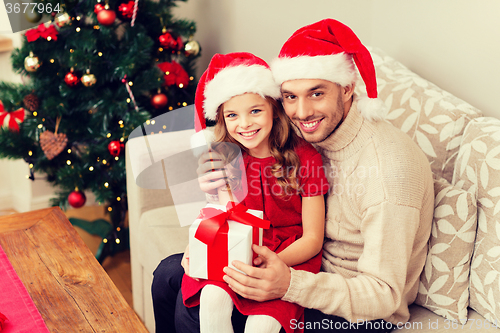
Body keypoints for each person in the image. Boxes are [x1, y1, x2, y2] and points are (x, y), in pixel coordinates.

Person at [152, 18, 434, 333]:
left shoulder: (387, 171)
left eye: (316, 94)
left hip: (355, 306)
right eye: (290, 96)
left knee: (193, 311)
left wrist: (287, 283)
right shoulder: (298, 134)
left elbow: (385, 296)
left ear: (347, 88)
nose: (301, 112)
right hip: (288, 256)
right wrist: (208, 238)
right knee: (168, 275)